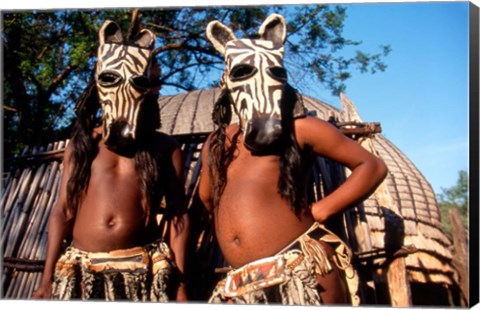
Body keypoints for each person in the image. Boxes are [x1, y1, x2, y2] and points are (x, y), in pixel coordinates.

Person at [199, 14, 388, 305]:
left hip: (301, 272)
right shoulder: (217, 143)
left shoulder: (300, 128)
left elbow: (372, 167)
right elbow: (207, 201)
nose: (258, 82)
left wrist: (322, 210)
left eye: (272, 74)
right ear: (226, 80)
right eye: (242, 74)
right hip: (240, 285)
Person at [32, 20, 189, 302]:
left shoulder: (164, 148)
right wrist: (46, 280)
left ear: (152, 88)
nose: (124, 91)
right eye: (112, 80)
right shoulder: (85, 144)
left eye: (140, 83)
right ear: (99, 85)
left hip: (141, 272)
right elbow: (64, 210)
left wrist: (179, 283)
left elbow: (179, 217)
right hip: (83, 272)